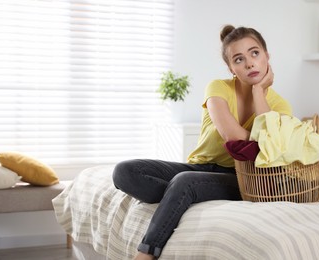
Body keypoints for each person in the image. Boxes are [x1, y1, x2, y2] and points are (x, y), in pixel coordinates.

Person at [112, 24, 292, 260]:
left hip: (243, 177)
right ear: (231, 68)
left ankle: (146, 253)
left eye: (255, 53)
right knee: (124, 171)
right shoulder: (217, 88)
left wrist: (259, 92)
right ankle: (180, 197)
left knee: (185, 182)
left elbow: (266, 147)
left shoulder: (280, 106)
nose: (249, 63)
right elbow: (234, 137)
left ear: (267, 56)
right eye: (239, 59)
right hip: (200, 166)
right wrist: (257, 139)